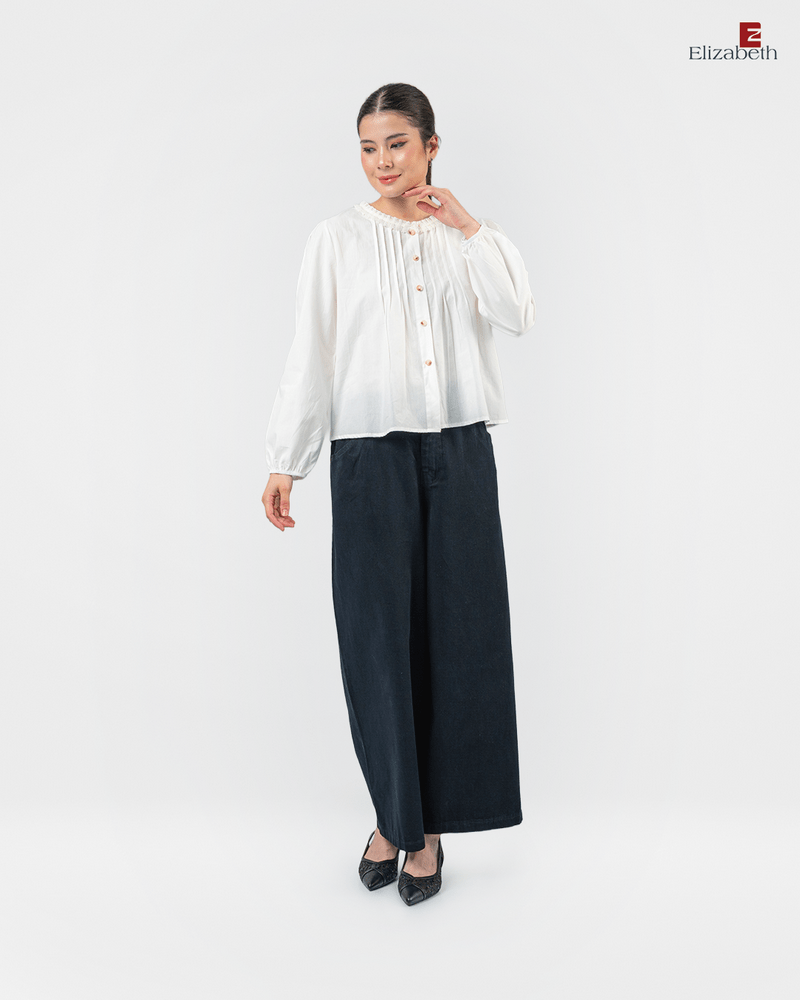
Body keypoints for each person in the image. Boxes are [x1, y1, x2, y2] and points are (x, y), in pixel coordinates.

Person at [261, 82, 536, 906]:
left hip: (460, 450)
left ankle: (432, 828)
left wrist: (469, 226)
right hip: (368, 456)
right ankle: (394, 817)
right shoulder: (335, 239)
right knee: (377, 643)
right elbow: (311, 351)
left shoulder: (467, 238)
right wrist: (287, 458)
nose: (382, 161)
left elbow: (518, 312)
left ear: (431, 146)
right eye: (369, 147)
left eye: (397, 144)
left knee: (461, 639)